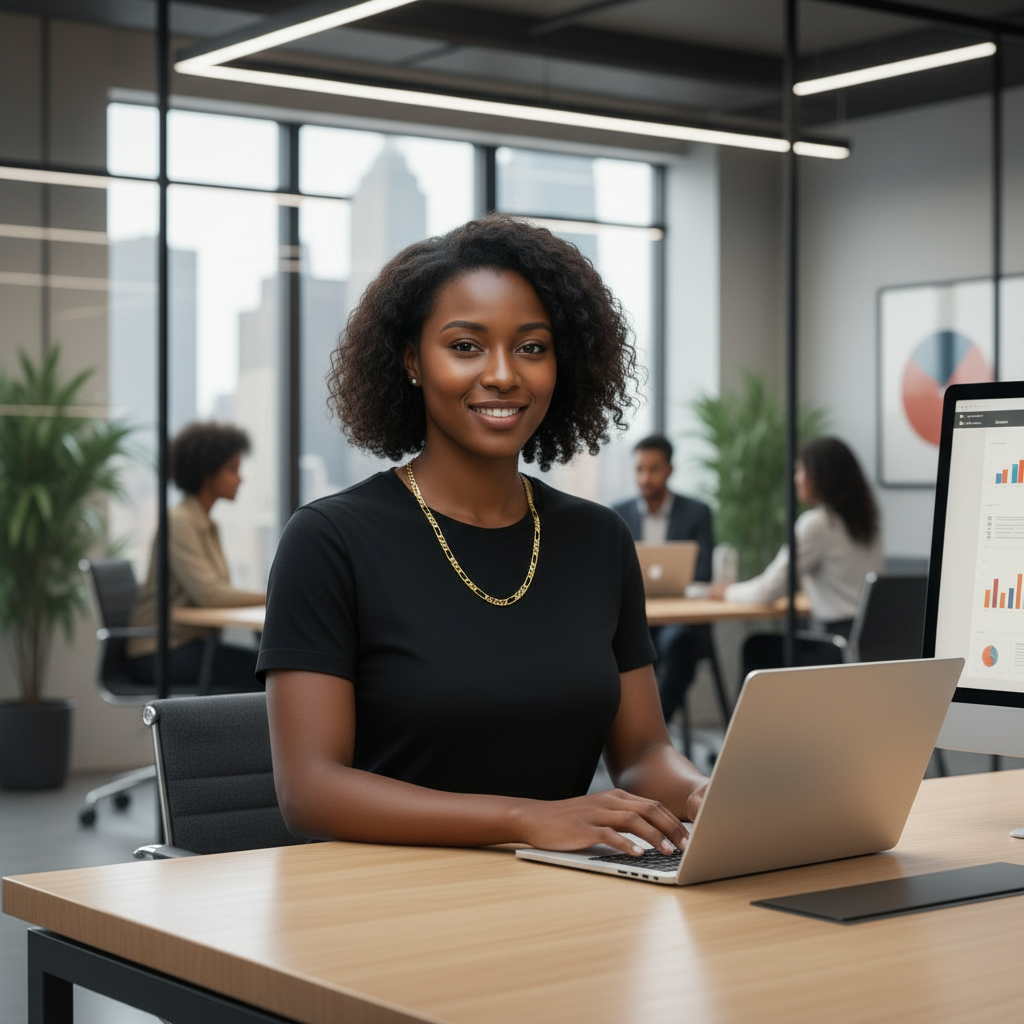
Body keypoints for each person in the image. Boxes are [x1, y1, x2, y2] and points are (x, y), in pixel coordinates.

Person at [257, 214, 708, 860]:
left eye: (531, 347)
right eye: (466, 346)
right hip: (386, 904)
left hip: (564, 896)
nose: (503, 375)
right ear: (412, 360)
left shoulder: (598, 539)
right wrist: (528, 820)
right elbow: (311, 791)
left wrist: (702, 794)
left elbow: (642, 753)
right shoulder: (330, 541)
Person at [709, 435, 884, 677]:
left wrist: (725, 591)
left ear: (821, 476)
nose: (796, 479)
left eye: (801, 470)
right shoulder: (867, 522)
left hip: (835, 646)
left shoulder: (816, 524)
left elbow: (767, 591)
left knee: (757, 647)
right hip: (872, 643)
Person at [128, 422, 265, 691]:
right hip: (159, 652)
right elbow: (211, 595)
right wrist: (273, 594)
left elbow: (214, 592)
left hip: (188, 646)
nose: (241, 479)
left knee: (268, 668)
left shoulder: (203, 523)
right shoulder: (179, 522)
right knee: (267, 673)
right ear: (207, 473)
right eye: (232, 469)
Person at [612, 435, 715, 725]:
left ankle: (655, 729)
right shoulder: (616, 514)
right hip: (634, 619)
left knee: (682, 642)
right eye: (639, 469)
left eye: (653, 469)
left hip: (677, 621)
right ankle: (624, 733)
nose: (645, 477)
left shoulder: (697, 512)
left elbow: (704, 572)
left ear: (670, 470)